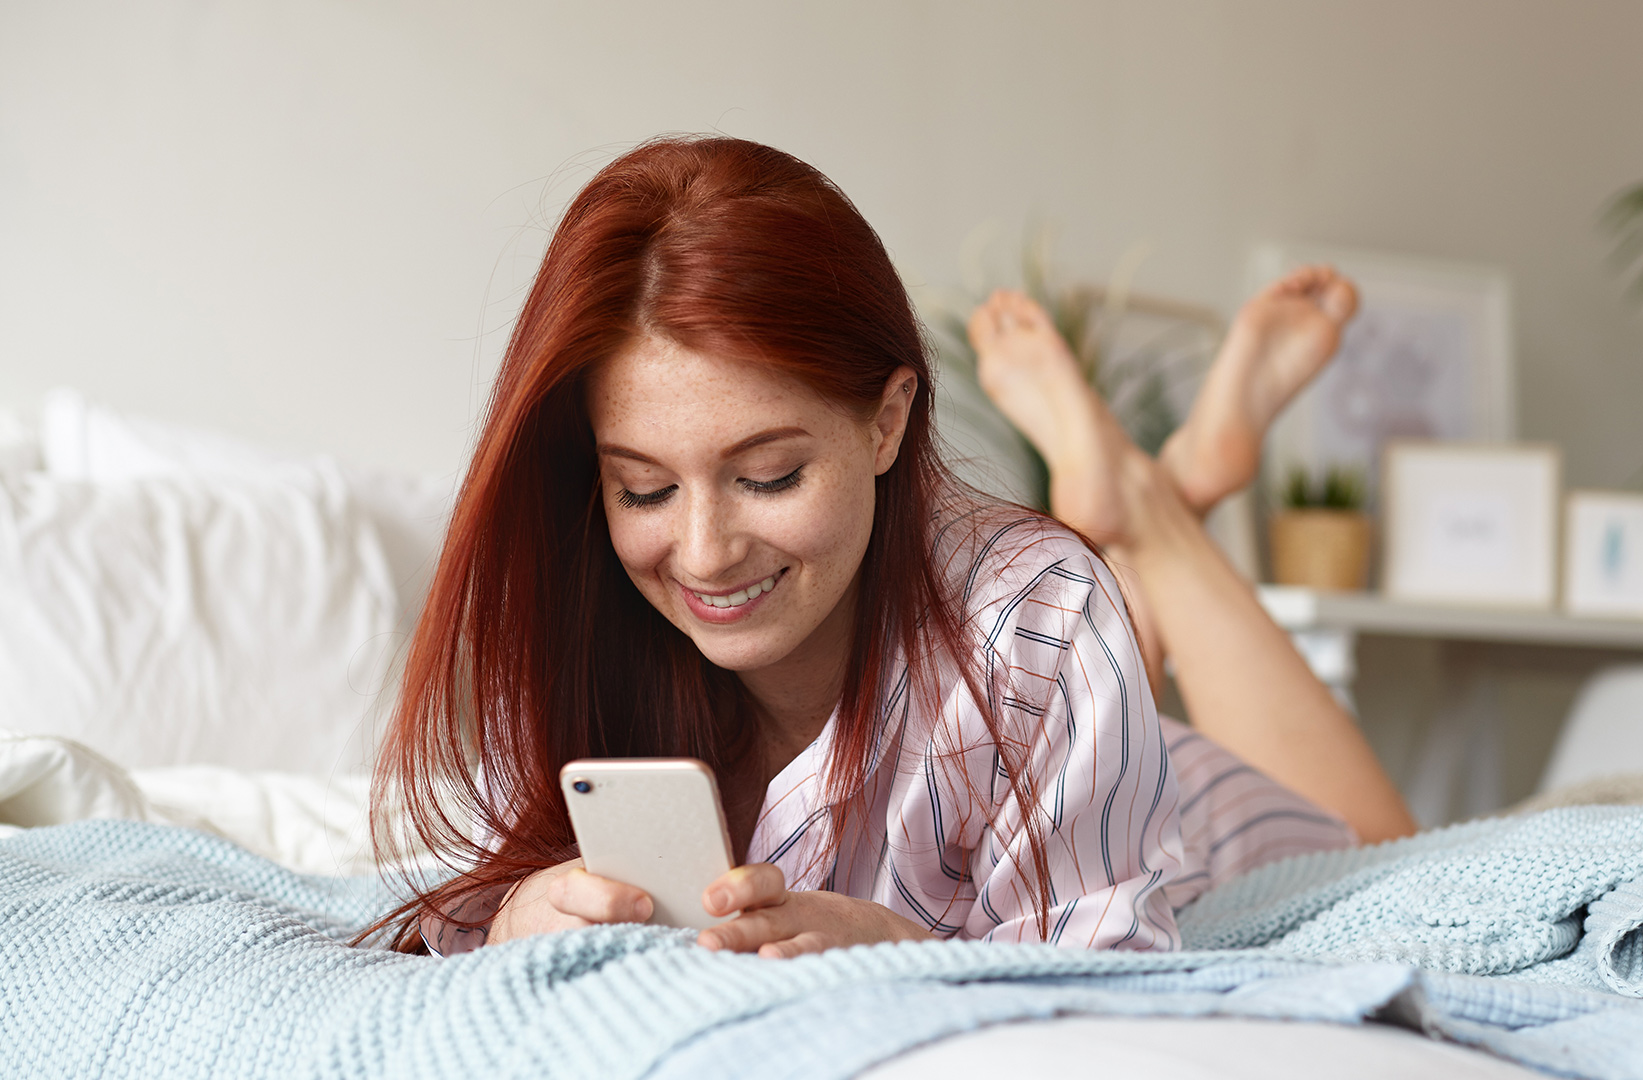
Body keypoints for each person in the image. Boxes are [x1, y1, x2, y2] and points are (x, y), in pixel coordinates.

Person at [371, 134, 1410, 960]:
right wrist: (514, 921)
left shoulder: (1039, 615)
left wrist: (902, 948)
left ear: (887, 420)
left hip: (1180, 812)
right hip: (1037, 720)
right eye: (643, 487)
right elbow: (476, 891)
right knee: (1067, 618)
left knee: (1376, 838)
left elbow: (1110, 972)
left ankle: (1161, 508)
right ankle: (1151, 496)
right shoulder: (582, 592)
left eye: (767, 475)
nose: (702, 553)